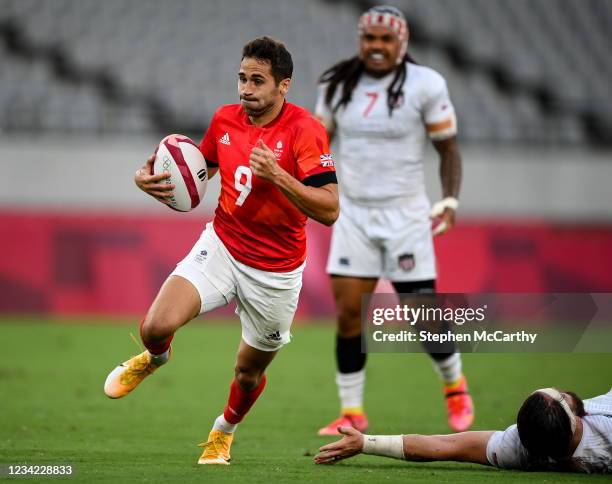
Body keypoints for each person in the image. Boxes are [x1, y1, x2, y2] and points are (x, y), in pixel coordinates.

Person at [103, 37, 339, 465]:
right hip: (224, 245)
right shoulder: (225, 120)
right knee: (154, 326)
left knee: (248, 374)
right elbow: (200, 170)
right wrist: (151, 176)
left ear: (283, 86)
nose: (246, 89)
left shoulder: (305, 130)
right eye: (242, 79)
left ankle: (222, 432)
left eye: (258, 81)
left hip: (276, 271)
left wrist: (280, 177)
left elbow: (330, 209)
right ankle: (155, 357)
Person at [314, 5, 473, 435]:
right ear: (360, 41)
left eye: (386, 39)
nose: (377, 46)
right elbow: (317, 143)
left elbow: (449, 149)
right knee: (349, 314)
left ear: (402, 43)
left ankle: (455, 386)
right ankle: (352, 412)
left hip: (405, 213)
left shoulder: (427, 84)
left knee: (421, 313)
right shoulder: (337, 84)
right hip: (354, 213)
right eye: (370, 38)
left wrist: (450, 200)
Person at [315, 387, 612, 474]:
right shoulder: (604, 429)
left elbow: (445, 446)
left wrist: (366, 443)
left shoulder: (519, 450)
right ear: (573, 418)